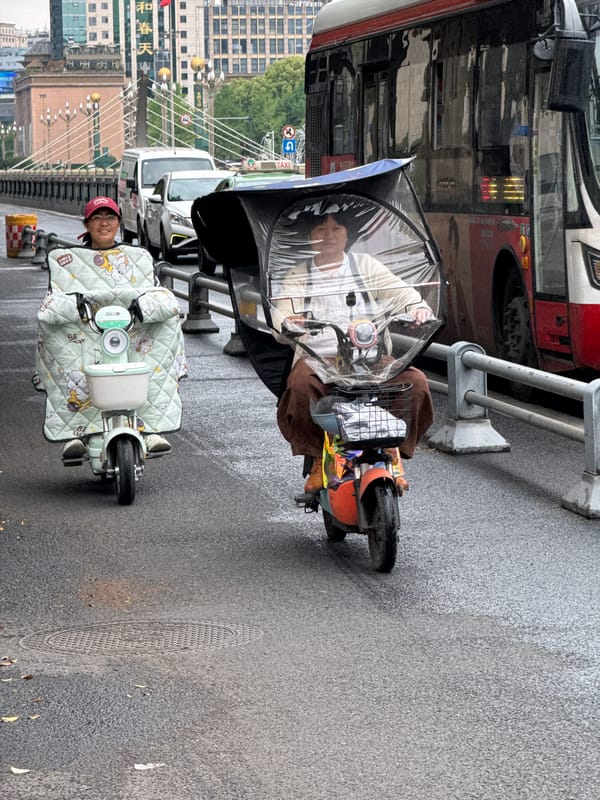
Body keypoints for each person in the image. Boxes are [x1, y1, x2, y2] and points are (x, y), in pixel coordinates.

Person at [274, 209, 435, 493]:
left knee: (416, 383)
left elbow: (401, 293)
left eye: (337, 229)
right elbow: (282, 313)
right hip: (319, 361)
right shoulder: (298, 274)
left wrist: (417, 307)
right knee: (300, 386)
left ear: (348, 235)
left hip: (369, 359)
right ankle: (315, 460)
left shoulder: (364, 266)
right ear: (309, 237)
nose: (329, 236)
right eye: (320, 230)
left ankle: (393, 453)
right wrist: (289, 322)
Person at [61, 197, 171, 460]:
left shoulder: (136, 259)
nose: (104, 223)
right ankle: (75, 432)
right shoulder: (70, 262)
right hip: (85, 330)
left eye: (110, 217)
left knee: (159, 344)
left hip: (130, 329)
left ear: (119, 222)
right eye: (97, 218)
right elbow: (56, 298)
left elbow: (155, 293)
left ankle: (151, 427)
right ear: (86, 224)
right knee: (66, 356)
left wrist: (143, 308)